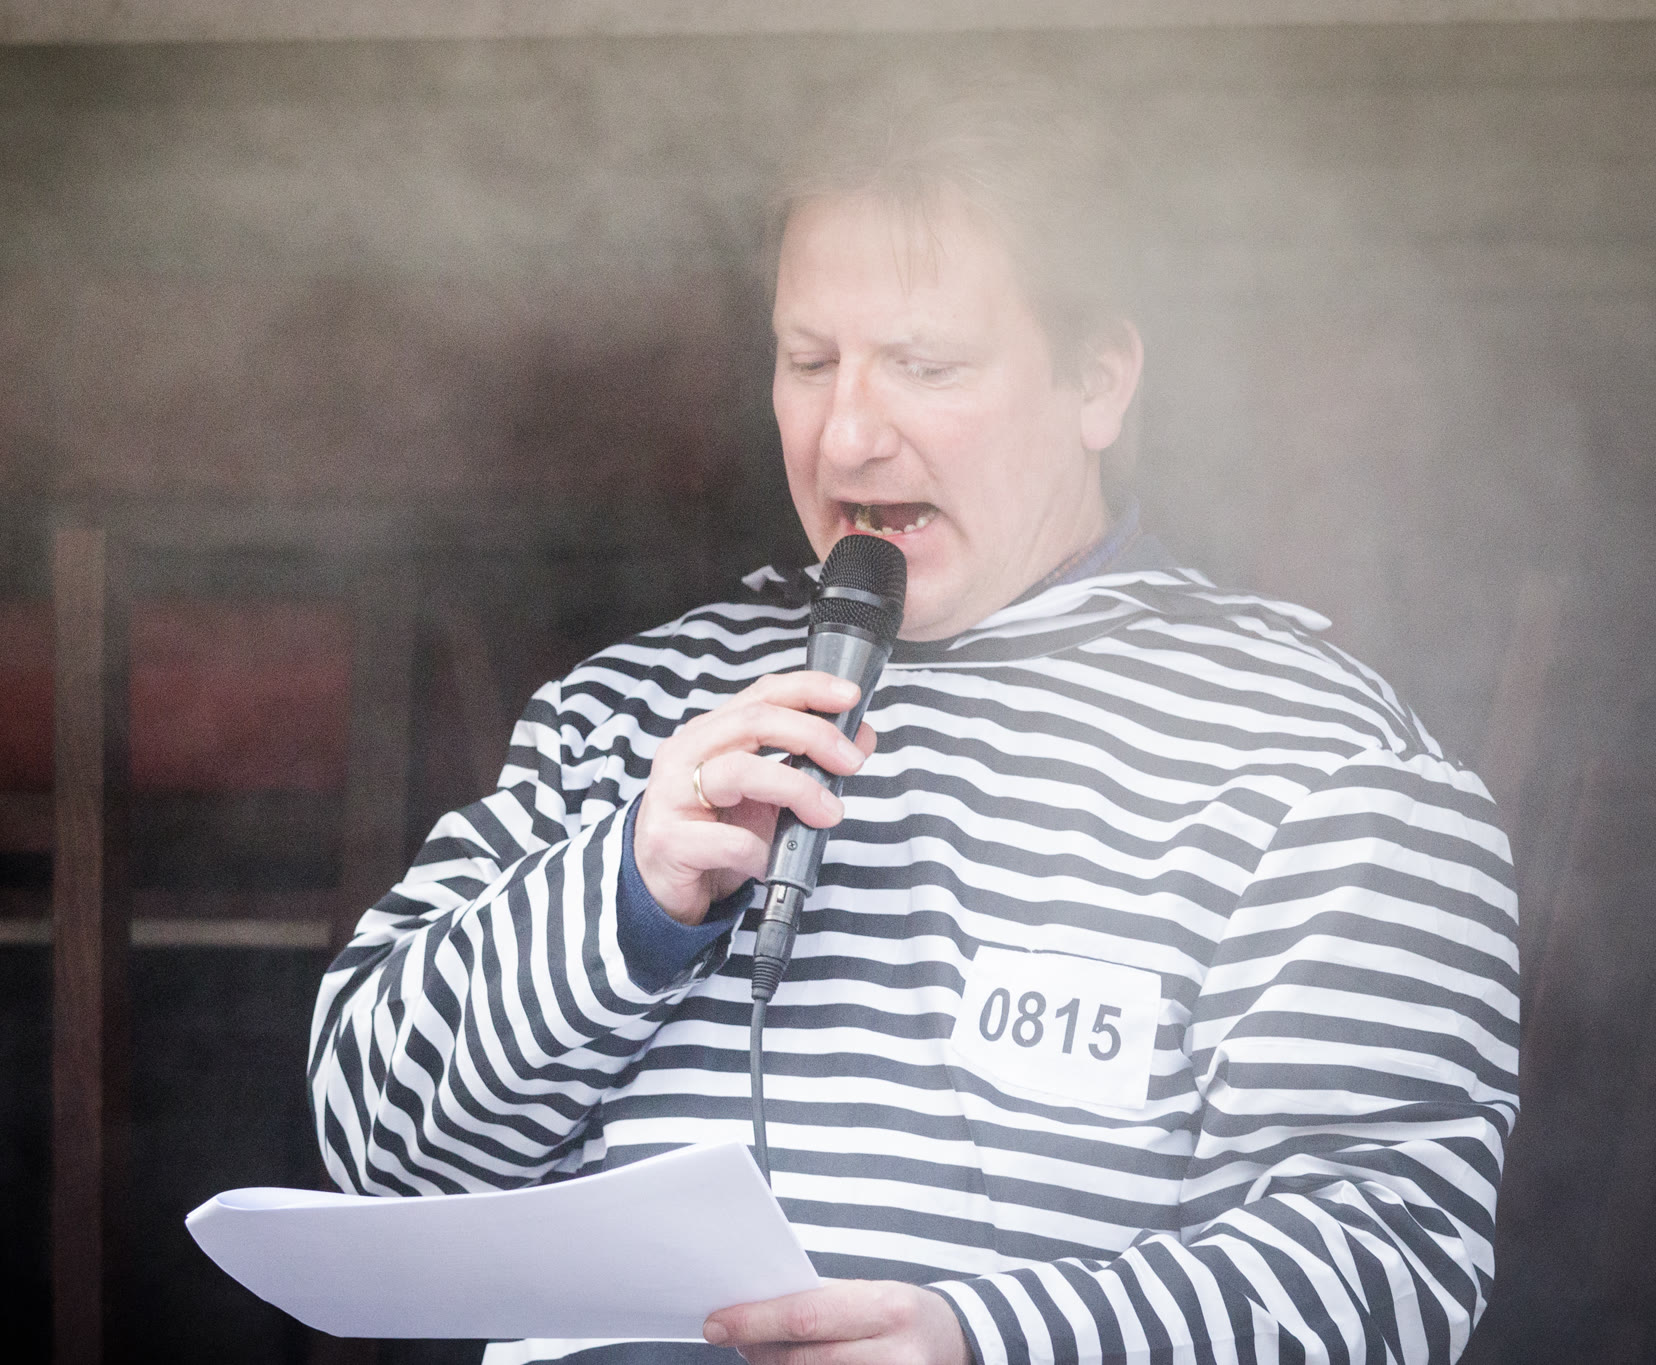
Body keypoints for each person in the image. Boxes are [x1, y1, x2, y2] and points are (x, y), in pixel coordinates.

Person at [309, 94, 1518, 1365]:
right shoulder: (629, 709)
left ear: (1096, 381)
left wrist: (981, 1344)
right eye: (808, 362)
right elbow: (370, 1148)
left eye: (925, 366)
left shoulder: (1319, 764)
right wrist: (626, 891)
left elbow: (1385, 1268)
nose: (846, 436)